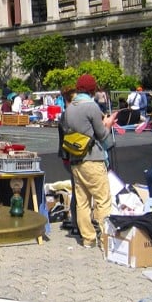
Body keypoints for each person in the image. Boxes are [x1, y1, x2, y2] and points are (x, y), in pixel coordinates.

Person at [59, 74, 117, 249]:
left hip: (76, 160)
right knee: (102, 200)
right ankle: (105, 238)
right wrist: (108, 123)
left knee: (82, 201)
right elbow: (101, 135)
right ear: (93, 89)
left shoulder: (68, 110)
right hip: (93, 158)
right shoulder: (91, 107)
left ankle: (88, 238)